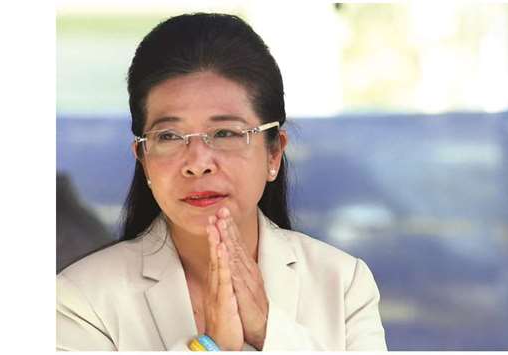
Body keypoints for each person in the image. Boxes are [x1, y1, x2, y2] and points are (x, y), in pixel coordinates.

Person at [56, 12, 387, 351]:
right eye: (169, 135)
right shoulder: (79, 300)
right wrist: (209, 347)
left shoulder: (343, 284)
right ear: (144, 160)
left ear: (274, 154)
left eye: (226, 132)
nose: (198, 163)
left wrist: (268, 332)